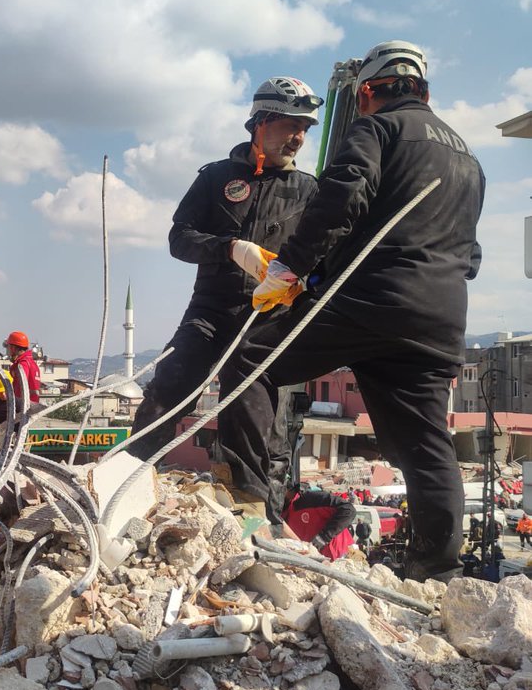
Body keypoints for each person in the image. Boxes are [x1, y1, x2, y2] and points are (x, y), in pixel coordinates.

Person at [216, 41, 485, 584]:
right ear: (425, 90)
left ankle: (246, 501)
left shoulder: (377, 130)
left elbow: (341, 201)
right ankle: (436, 572)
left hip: (372, 300)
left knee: (250, 360)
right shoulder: (468, 157)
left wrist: (289, 268)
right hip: (440, 315)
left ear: (365, 92)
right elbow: (470, 254)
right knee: (426, 445)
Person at [127, 77, 323, 520]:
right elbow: (180, 239)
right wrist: (230, 247)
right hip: (212, 308)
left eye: (306, 129)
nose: (298, 137)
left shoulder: (310, 190)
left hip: (268, 316)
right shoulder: (217, 177)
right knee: (170, 385)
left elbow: (325, 255)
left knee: (253, 412)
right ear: (261, 122)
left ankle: (252, 510)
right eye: (292, 124)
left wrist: (298, 281)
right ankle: (128, 479)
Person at [283, 486, 355, 560]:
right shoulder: (281, 518)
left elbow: (348, 510)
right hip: (319, 562)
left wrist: (323, 537)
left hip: (345, 555)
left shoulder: (307, 500)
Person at [4, 331, 41, 410]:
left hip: (24, 404)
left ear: (13, 348)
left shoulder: (23, 363)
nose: (8, 350)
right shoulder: (30, 361)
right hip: (30, 402)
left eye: (8, 347)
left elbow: (22, 384)